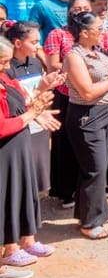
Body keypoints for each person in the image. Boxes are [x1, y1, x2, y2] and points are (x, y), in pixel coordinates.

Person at [64, 12, 108, 239]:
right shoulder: (74, 57)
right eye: (98, 28)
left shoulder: (97, 51)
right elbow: (87, 92)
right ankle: (90, 222)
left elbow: (106, 78)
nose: (103, 31)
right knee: (93, 169)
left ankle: (92, 212)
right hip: (88, 116)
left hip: (105, 113)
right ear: (84, 33)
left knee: (97, 167)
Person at [0, 37, 57, 267]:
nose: (7, 66)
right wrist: (32, 114)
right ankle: (10, 248)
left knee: (24, 191)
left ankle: (27, 239)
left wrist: (39, 104)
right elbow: (2, 126)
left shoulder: (6, 79)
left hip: (20, 147)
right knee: (9, 197)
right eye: (2, 62)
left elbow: (23, 99)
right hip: (5, 152)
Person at [43, 0, 102, 208]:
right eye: (77, 8)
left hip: (90, 94)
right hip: (66, 94)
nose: (81, 11)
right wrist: (78, 70)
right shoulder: (58, 34)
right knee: (64, 144)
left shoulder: (95, 32)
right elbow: (53, 65)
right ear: (69, 11)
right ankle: (66, 191)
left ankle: (89, 188)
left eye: (85, 8)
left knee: (87, 145)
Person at [4, 21, 59, 199]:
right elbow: (16, 100)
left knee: (38, 173)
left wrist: (48, 85)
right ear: (17, 43)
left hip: (39, 123)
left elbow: (36, 93)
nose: (38, 46)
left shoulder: (35, 63)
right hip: (22, 125)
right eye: (34, 42)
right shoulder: (7, 69)